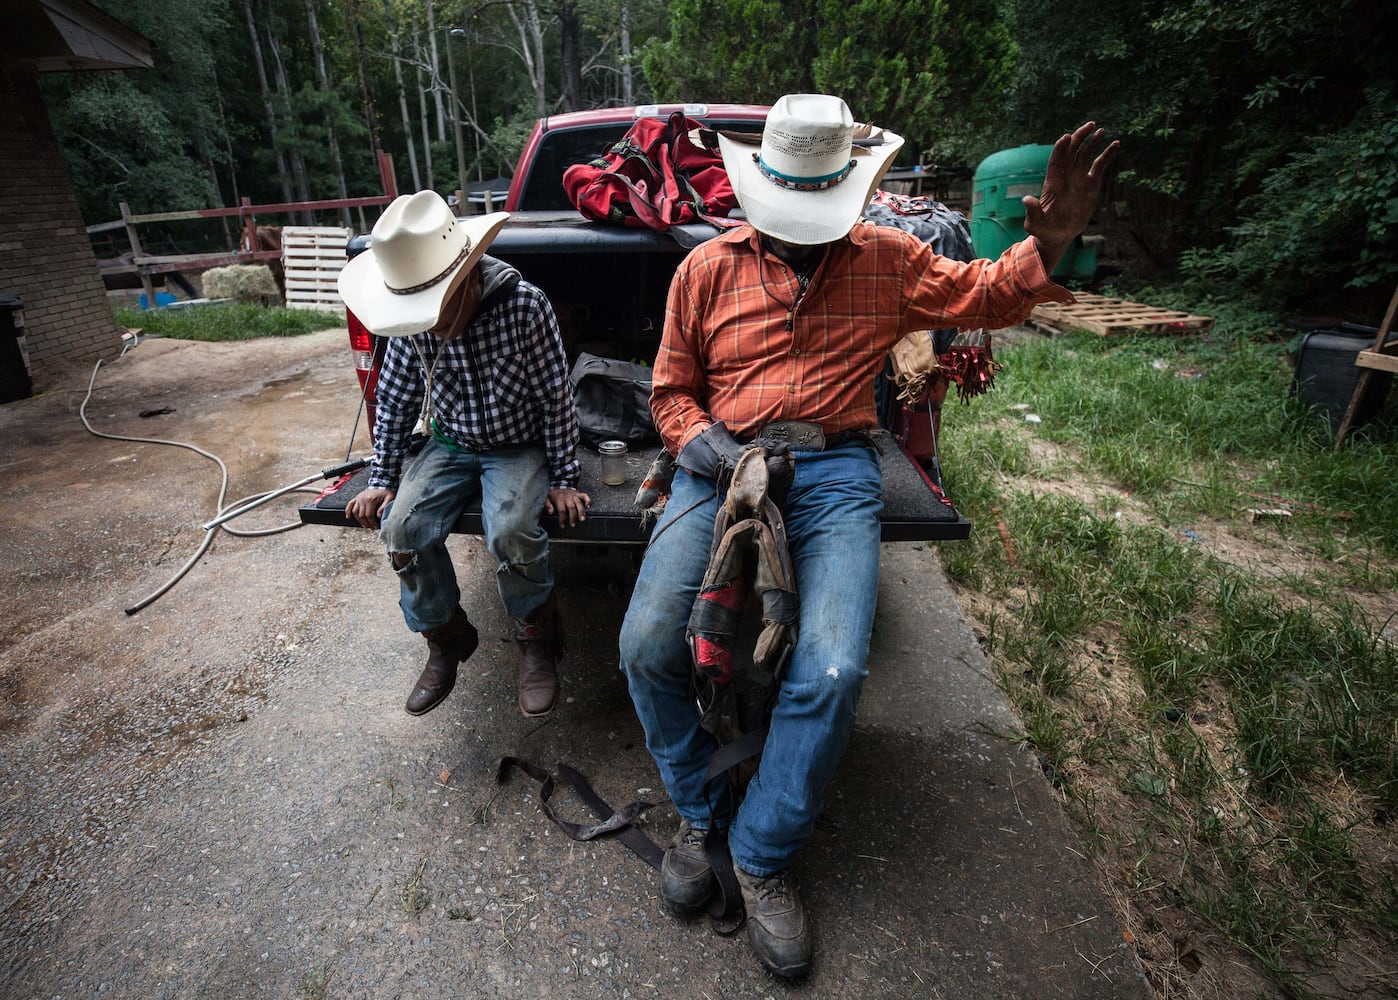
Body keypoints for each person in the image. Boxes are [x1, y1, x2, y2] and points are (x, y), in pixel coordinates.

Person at [618, 94, 1117, 978]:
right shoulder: (704, 270)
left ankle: (762, 851)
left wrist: (1049, 245)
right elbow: (669, 394)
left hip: (834, 467)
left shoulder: (888, 259)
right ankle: (701, 812)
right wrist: (722, 455)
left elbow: (985, 295)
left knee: (837, 666)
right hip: (717, 462)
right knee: (648, 642)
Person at [338, 190, 591, 720]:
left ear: (467, 276)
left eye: (437, 308)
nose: (428, 323)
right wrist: (382, 476)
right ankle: (446, 637)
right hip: (449, 443)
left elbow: (555, 398)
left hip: (518, 446)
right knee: (401, 529)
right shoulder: (414, 324)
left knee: (511, 532)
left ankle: (536, 639)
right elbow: (396, 398)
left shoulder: (526, 306)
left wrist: (566, 476)